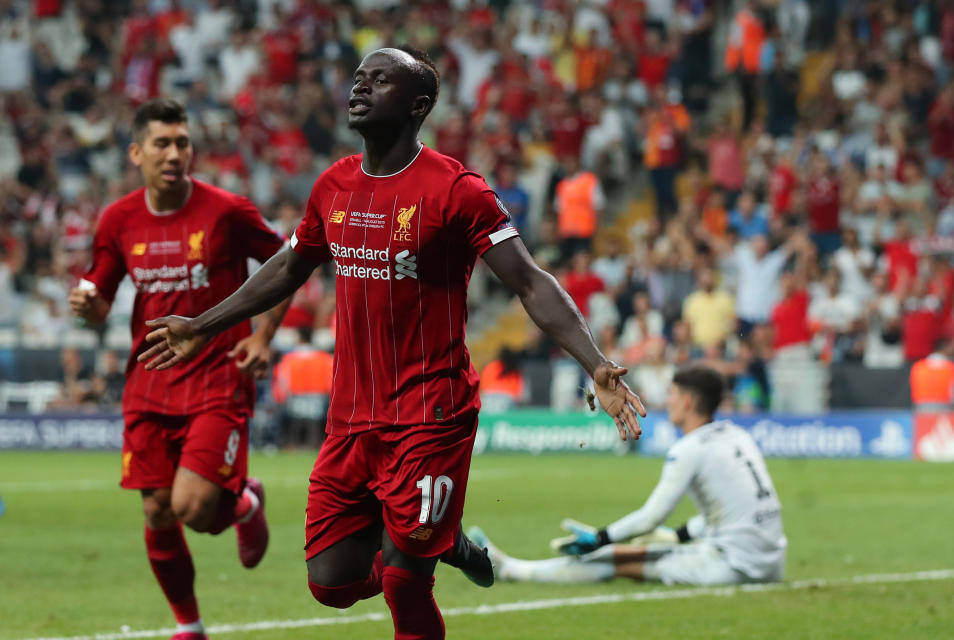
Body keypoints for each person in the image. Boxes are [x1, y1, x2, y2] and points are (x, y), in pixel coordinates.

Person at [138, 46, 645, 640]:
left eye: (379, 81)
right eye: (358, 79)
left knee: (406, 580)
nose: (359, 89)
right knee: (330, 583)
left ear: (417, 105)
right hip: (351, 417)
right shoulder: (333, 185)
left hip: (431, 412)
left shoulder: (457, 189)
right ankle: (441, 538)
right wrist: (202, 325)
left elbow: (530, 281)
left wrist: (596, 365)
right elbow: (290, 266)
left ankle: (421, 542)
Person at [69, 98, 290, 640]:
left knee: (191, 507)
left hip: (219, 375)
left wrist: (263, 336)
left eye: (183, 142)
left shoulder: (226, 211)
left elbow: (289, 259)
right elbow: (102, 294)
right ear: (136, 152)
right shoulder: (118, 219)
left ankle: (241, 502)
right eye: (163, 144)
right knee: (158, 511)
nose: (174, 154)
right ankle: (189, 626)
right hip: (149, 381)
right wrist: (89, 307)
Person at [471, 366, 786, 587]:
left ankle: (512, 569)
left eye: (673, 394)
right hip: (770, 559)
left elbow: (651, 517)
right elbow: (735, 509)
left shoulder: (690, 448)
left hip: (735, 567)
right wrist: (678, 536)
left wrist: (599, 539)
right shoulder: (736, 435)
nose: (669, 400)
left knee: (612, 558)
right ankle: (514, 567)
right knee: (631, 552)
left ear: (688, 401)